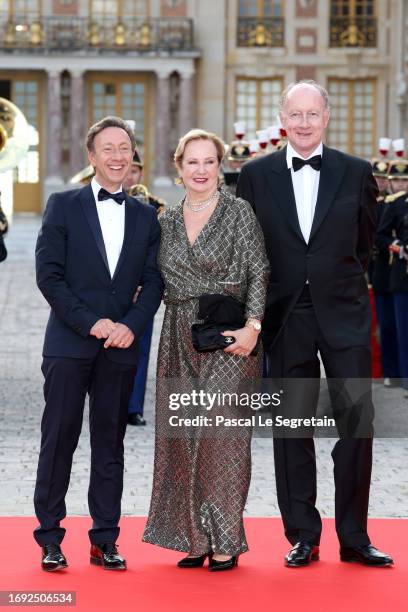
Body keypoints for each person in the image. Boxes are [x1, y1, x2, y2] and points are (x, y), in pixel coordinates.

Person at [236, 80, 393, 568]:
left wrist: (333, 281)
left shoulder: (356, 171)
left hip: (344, 313)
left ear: (326, 117)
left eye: (312, 114)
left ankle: (354, 535)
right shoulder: (256, 175)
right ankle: (302, 533)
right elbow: (250, 250)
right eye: (295, 114)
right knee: (291, 430)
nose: (303, 123)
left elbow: (365, 243)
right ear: (283, 118)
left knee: (355, 428)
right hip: (284, 318)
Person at [33, 116, 163, 572]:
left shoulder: (148, 215)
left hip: (121, 347)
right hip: (69, 344)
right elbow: (49, 276)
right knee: (59, 441)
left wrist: (131, 325)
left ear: (132, 156)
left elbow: (153, 281)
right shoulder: (63, 205)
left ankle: (104, 538)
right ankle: (50, 538)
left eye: (124, 148)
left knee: (110, 445)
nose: (116, 156)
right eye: (107, 148)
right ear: (91, 157)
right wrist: (94, 324)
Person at [142, 129, 269, 571]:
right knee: (183, 438)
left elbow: (258, 269)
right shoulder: (166, 222)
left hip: (228, 336)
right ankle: (193, 536)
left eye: (209, 162)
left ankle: (226, 539)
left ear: (220, 166)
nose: (200, 170)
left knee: (223, 438)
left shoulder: (239, 213)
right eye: (191, 162)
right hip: (178, 335)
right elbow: (150, 279)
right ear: (179, 169)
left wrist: (252, 328)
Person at [123, 149, 166, 426]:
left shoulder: (156, 206)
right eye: (127, 169)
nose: (130, 176)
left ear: (141, 173)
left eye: (135, 171)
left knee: (139, 348)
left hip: (141, 290)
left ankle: (133, 406)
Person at [376, 156, 408, 397]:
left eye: (404, 181)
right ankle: (400, 374)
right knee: (399, 327)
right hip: (399, 274)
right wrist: (400, 248)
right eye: (397, 180)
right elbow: (381, 235)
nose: (401, 185)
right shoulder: (394, 205)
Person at [369, 156, 400, 386]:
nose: (380, 182)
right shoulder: (365, 202)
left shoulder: (392, 204)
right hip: (377, 270)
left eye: (382, 178)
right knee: (383, 326)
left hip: (394, 272)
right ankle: (387, 370)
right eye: (376, 178)